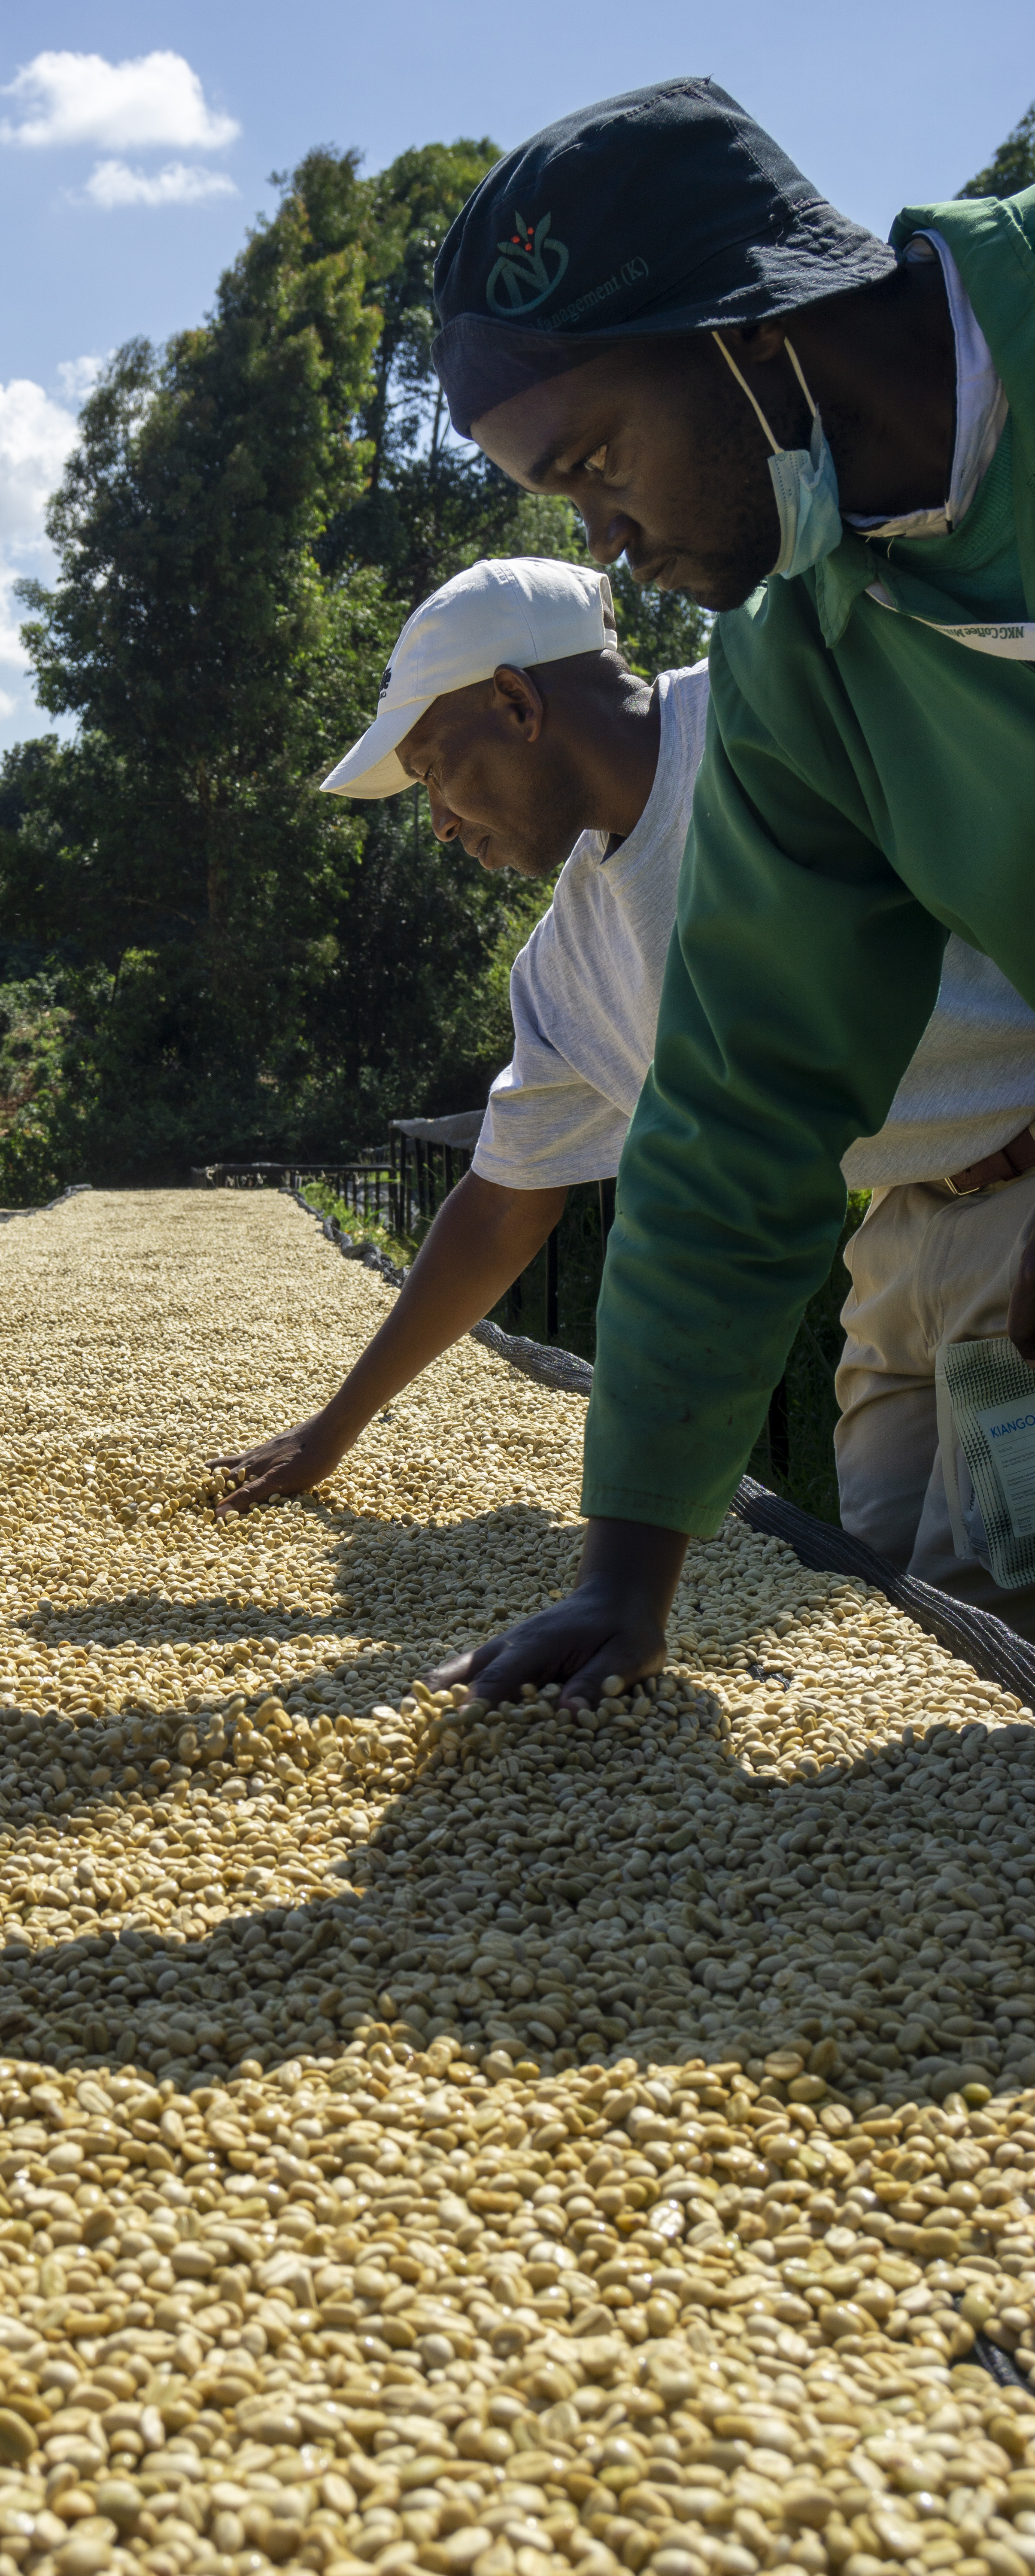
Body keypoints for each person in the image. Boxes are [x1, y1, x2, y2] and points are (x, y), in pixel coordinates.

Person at [404, 79, 1035, 1706]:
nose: (608, 543)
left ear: (755, 330)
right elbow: (742, 1095)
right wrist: (627, 1578)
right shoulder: (801, 665)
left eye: (601, 459)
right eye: (567, 504)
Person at [209, 555, 1035, 1637]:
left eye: (432, 771)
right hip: (895, 1236)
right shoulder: (569, 965)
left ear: (515, 702)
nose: (440, 824)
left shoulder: (787, 709)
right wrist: (332, 1431)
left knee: (994, 1608)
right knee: (873, 1596)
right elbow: (504, 1206)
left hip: (1018, 1201)